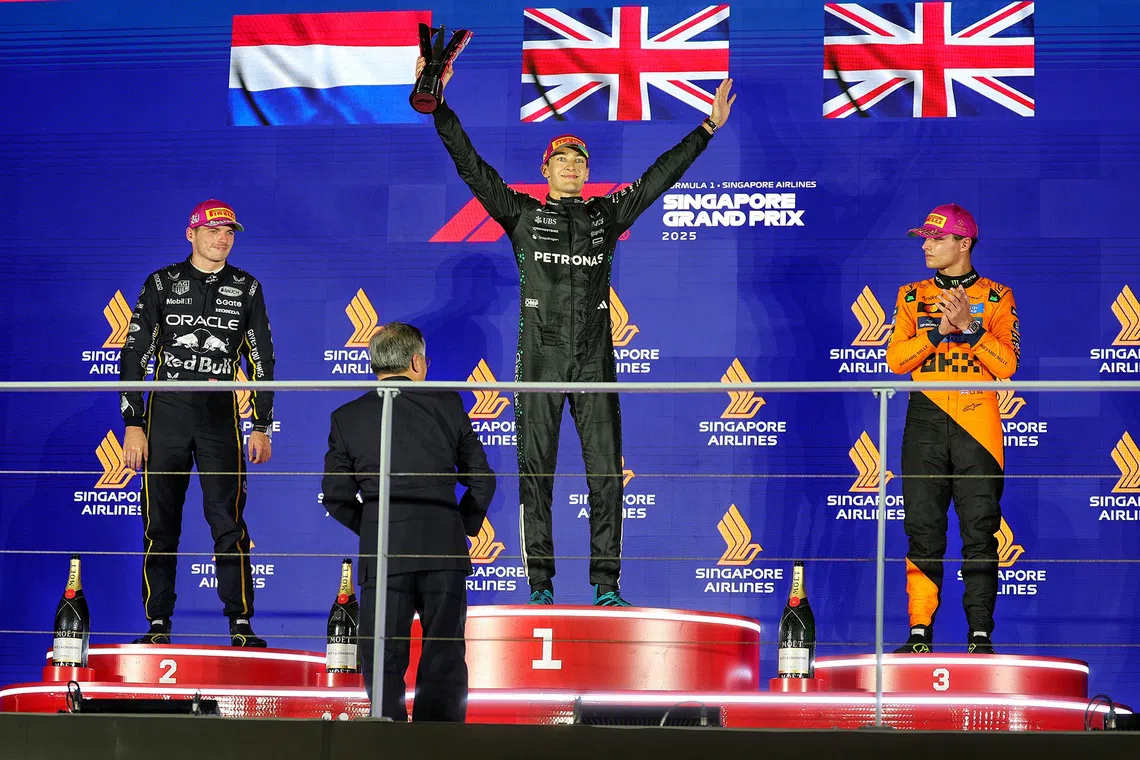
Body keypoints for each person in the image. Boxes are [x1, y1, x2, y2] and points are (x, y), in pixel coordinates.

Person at [420, 56, 735, 607]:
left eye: (579, 160)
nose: (570, 166)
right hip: (539, 360)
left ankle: (607, 586)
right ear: (546, 170)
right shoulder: (519, 214)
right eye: (561, 159)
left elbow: (661, 175)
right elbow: (471, 166)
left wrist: (706, 129)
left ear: (587, 172)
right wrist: (440, 106)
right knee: (535, 474)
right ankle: (540, 585)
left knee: (605, 477)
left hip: (594, 360)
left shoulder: (605, 216)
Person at [119, 199, 275, 648]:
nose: (222, 238)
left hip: (219, 417)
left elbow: (263, 359)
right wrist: (134, 422)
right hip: (166, 412)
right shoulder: (161, 283)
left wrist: (261, 423)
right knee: (159, 523)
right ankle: (158, 624)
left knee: (228, 522)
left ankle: (240, 624)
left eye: (229, 232)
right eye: (213, 230)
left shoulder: (247, 287)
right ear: (191, 234)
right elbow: (135, 356)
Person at [322, 322, 496, 722]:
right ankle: (440, 746)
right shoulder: (448, 404)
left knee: (382, 657)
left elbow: (335, 496)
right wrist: (461, 523)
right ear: (417, 362)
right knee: (444, 654)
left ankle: (386, 743)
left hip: (383, 553)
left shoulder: (346, 417)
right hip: (442, 549)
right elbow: (482, 480)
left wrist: (375, 525)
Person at [886, 204, 1020, 655]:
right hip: (923, 417)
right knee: (922, 528)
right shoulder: (910, 295)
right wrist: (938, 330)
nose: (925, 245)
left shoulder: (1000, 296)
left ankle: (980, 636)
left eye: (936, 238)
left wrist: (968, 327)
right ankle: (919, 632)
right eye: (924, 237)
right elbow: (897, 361)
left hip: (978, 421)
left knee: (980, 530)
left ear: (964, 243)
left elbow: (1007, 366)